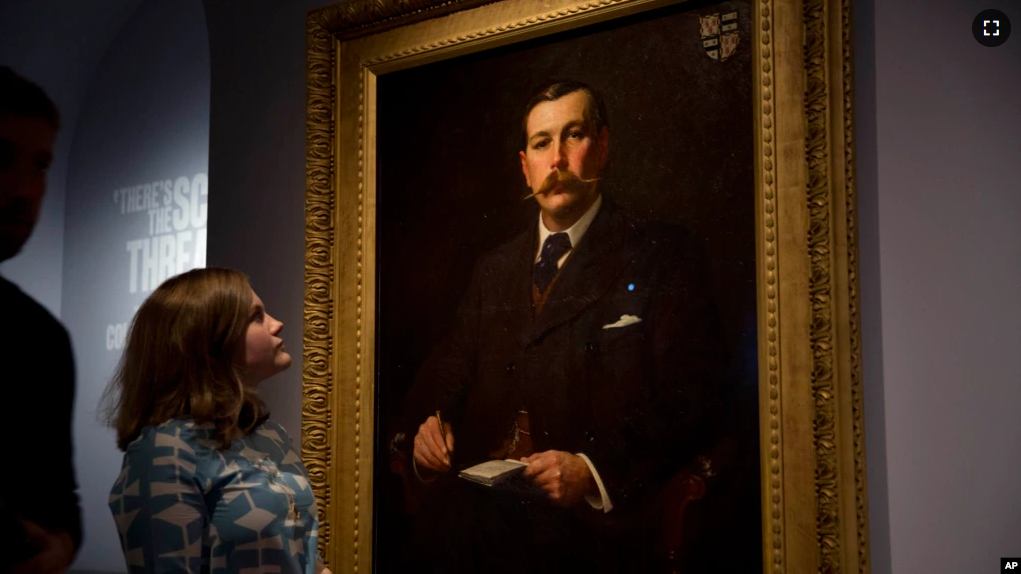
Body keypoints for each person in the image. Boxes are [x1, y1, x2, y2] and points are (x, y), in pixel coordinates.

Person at [396, 80, 727, 572]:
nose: (557, 161)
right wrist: (431, 424)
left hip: (591, 529)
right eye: (541, 143)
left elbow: (693, 395)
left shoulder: (662, 255)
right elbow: (447, 369)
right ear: (524, 164)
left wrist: (591, 471)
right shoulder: (495, 269)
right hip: (473, 520)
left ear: (603, 146)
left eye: (573, 136)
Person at [103, 267, 330, 574]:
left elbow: (303, 559)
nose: (277, 324)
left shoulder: (271, 437)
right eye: (256, 317)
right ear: (207, 341)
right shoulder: (164, 453)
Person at [0, 66, 82, 574]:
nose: (26, 189)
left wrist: (58, 548)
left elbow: (60, 499)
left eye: (41, 164)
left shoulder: (39, 337)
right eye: (2, 158)